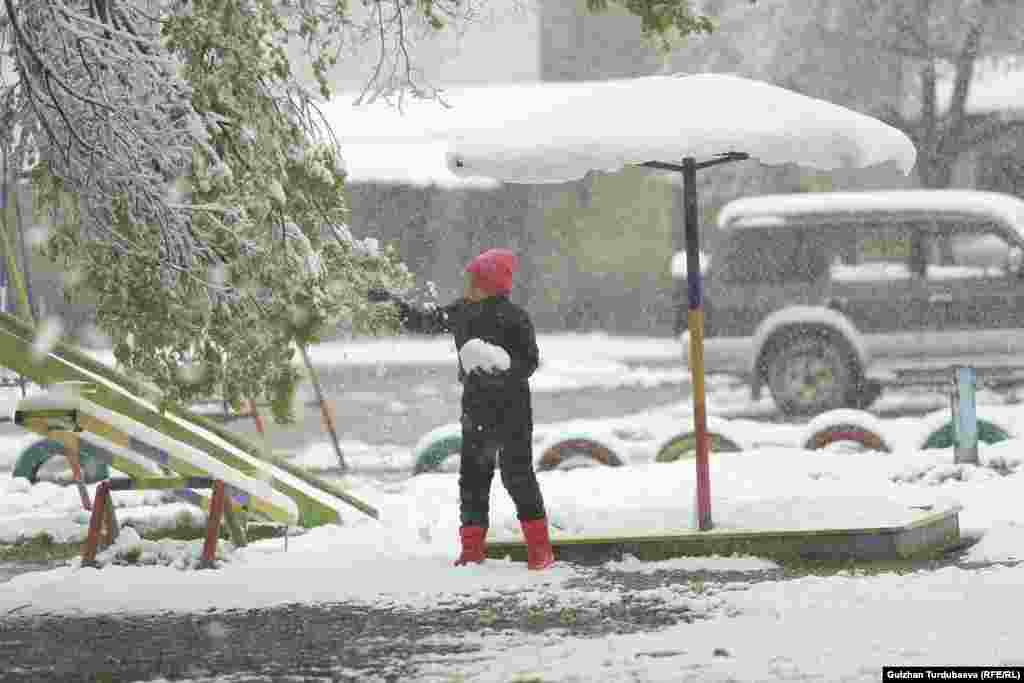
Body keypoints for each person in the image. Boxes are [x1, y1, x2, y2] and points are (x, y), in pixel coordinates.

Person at [368, 248, 555, 570]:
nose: (467, 285)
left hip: (513, 411)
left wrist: (503, 370)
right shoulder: (462, 312)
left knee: (517, 477)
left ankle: (540, 550)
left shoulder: (515, 317)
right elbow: (423, 320)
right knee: (473, 479)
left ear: (489, 283)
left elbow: (530, 360)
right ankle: (472, 551)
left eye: (473, 279)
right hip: (477, 411)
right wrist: (392, 304)